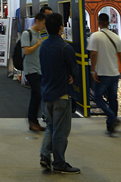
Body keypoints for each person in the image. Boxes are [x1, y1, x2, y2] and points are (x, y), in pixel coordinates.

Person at [39, 12, 79, 174]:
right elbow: (74, 70)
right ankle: (59, 163)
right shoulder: (65, 47)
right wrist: (70, 75)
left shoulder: (43, 46)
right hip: (61, 93)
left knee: (51, 126)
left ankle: (45, 155)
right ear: (61, 28)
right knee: (61, 131)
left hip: (46, 93)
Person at [88, 12, 121, 134]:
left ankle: (112, 118)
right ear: (109, 23)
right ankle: (111, 125)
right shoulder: (115, 37)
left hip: (102, 73)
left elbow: (93, 54)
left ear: (98, 23)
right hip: (114, 73)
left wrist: (93, 70)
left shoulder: (95, 36)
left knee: (97, 97)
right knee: (112, 99)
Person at [22, 13, 47, 132]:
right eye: (43, 24)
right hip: (30, 69)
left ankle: (34, 122)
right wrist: (37, 45)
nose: (44, 26)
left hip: (39, 69)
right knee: (37, 94)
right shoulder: (27, 34)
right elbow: (26, 51)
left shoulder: (40, 34)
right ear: (37, 21)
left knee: (36, 95)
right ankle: (32, 121)